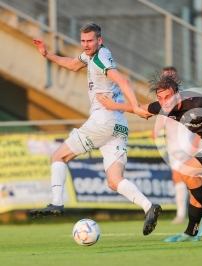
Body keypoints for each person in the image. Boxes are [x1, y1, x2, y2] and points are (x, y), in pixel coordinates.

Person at [30, 22, 161, 236]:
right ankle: (149, 207)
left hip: (103, 120)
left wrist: (136, 107)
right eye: (83, 41)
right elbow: (73, 64)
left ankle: (56, 203)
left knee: (58, 157)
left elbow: (124, 81)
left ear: (99, 40)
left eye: (90, 40)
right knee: (114, 181)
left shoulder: (100, 59)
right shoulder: (92, 55)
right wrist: (47, 55)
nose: (86, 44)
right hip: (118, 125)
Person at [98, 74, 202, 242]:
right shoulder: (163, 107)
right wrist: (114, 105)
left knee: (186, 171)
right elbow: (139, 108)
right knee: (196, 186)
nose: (164, 101)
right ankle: (191, 233)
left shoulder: (197, 102)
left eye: (168, 96)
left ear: (177, 94)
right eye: (160, 98)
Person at [152, 66, 201, 224]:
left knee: (180, 177)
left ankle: (181, 215)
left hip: (186, 144)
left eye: (171, 76)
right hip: (173, 146)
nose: (168, 79)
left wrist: (195, 141)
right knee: (186, 179)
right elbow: (159, 122)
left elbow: (198, 121)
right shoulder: (163, 100)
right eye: (165, 76)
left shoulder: (184, 99)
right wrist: (156, 131)